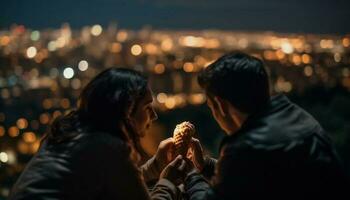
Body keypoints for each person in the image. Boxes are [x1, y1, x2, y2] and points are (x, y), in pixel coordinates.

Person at [184, 52, 349, 199]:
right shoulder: (296, 117)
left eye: (210, 106)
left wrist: (191, 175)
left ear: (221, 105)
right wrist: (205, 165)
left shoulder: (247, 148)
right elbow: (250, 179)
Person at [9, 68, 187, 200]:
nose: (154, 116)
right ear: (126, 110)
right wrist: (168, 182)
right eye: (147, 107)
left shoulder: (68, 131)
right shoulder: (109, 146)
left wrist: (156, 166)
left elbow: (116, 182)